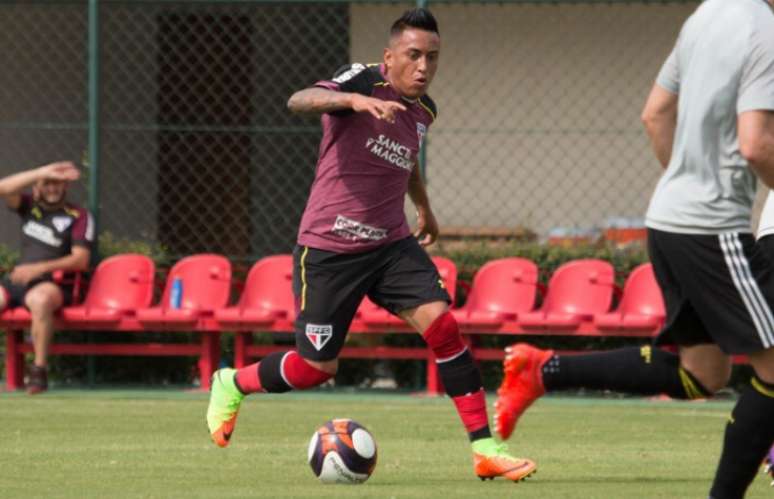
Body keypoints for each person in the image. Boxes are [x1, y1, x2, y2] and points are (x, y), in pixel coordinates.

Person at [206, 8, 535, 482]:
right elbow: (299, 100)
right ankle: (231, 382)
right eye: (414, 55)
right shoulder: (360, 81)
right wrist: (354, 104)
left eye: (433, 58)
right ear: (389, 56)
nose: (424, 67)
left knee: (443, 328)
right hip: (330, 249)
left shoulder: (425, 111)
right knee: (316, 367)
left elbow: (407, 159)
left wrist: (423, 206)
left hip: (390, 246)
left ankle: (485, 449)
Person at [494, 0, 774, 497]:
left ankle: (545, 370)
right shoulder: (763, 30)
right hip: (712, 226)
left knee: (703, 372)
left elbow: (654, 115)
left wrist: (686, 186)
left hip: (668, 219)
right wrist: (710, 193)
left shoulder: (704, 18)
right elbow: (756, 144)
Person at [0, 161, 93, 394]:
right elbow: (3, 188)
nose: (52, 189)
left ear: (66, 187)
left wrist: (38, 268)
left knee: (40, 301)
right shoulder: (29, 207)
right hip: (18, 281)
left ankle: (39, 370)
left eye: (57, 184)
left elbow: (81, 259)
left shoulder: (78, 215)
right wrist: (39, 173)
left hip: (53, 283)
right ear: (36, 187)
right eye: (47, 184)